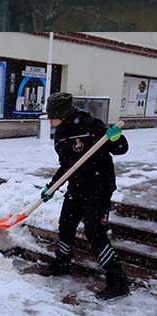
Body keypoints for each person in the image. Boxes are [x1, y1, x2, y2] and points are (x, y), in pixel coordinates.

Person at [40, 92, 131, 300]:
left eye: (53, 116)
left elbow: (120, 149)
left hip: (99, 187)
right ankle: (62, 263)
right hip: (77, 186)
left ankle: (118, 281)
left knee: (94, 230)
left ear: (62, 113)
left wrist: (116, 137)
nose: (51, 121)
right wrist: (52, 187)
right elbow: (66, 166)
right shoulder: (61, 134)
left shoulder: (90, 125)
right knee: (66, 224)